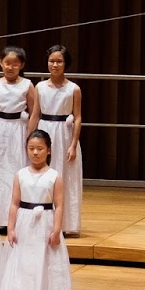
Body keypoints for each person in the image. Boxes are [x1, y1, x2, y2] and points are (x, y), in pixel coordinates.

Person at [0, 129, 73, 290]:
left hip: (45, 226)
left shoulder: (54, 176)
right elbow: (14, 203)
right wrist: (11, 228)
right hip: (25, 225)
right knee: (24, 267)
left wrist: (56, 230)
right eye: (31, 148)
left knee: (46, 266)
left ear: (48, 150)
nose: (35, 153)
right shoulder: (21, 175)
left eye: (40, 149)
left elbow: (59, 205)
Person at [0, 47, 37, 219]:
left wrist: (30, 138)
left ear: (21, 65)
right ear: (1, 63)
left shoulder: (27, 85)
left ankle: (16, 217)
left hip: (18, 130)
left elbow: (34, 113)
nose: (10, 67)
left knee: (17, 170)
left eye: (15, 64)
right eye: (7, 63)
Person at [37, 44, 85, 236]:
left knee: (66, 177)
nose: (55, 65)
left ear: (66, 64)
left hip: (64, 135)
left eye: (59, 61)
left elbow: (78, 117)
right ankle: (43, 221)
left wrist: (73, 144)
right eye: (52, 61)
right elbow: (34, 114)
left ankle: (65, 223)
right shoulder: (39, 87)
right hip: (45, 130)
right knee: (43, 175)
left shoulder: (73, 89)